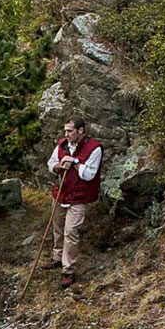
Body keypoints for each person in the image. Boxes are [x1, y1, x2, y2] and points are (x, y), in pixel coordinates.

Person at [47, 118, 102, 288]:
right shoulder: (62, 144)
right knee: (57, 227)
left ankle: (68, 270)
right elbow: (51, 164)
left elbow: (89, 175)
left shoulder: (94, 148)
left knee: (70, 231)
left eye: (70, 131)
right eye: (65, 131)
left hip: (78, 197)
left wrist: (76, 163)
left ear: (81, 131)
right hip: (60, 193)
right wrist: (59, 166)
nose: (66, 134)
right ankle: (57, 257)